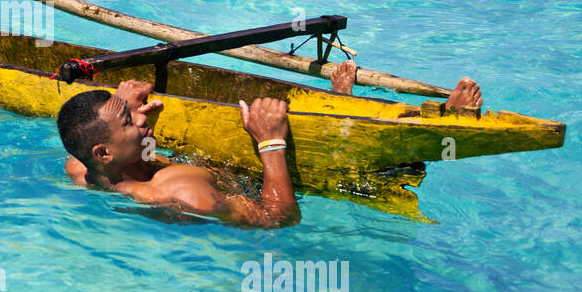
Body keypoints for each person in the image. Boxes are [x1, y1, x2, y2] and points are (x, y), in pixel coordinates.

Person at [56, 65, 484, 226]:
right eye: (131, 121)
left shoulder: (81, 170)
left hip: (204, 169)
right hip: (269, 189)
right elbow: (278, 218)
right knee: (357, 177)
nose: (143, 118)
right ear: (104, 152)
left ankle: (339, 105)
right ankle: (448, 128)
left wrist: (120, 109)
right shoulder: (181, 195)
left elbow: (86, 135)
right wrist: (272, 143)